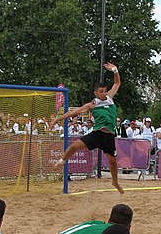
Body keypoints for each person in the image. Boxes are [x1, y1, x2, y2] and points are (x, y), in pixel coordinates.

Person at [51, 63, 123, 193]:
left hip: (109, 136)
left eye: (105, 91)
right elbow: (74, 112)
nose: (104, 93)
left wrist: (115, 70)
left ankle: (115, 181)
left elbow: (117, 83)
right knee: (74, 147)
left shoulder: (110, 99)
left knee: (113, 163)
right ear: (96, 93)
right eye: (101, 91)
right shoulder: (92, 104)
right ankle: (61, 162)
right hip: (97, 134)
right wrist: (58, 118)